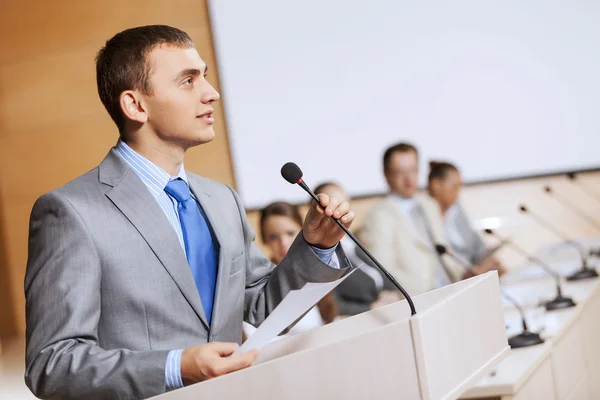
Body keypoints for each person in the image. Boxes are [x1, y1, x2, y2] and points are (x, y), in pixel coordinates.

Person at [24, 25, 355, 399]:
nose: (211, 94)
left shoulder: (223, 199)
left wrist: (315, 245)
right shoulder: (71, 211)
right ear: (135, 105)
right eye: (187, 81)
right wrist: (177, 367)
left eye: (206, 78)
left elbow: (262, 308)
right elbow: (52, 364)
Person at [360, 143, 463, 296]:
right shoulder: (379, 215)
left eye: (413, 170)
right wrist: (426, 294)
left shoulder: (429, 204)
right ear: (387, 175)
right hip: (419, 298)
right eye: (400, 172)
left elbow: (444, 251)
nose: (408, 178)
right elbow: (384, 270)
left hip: (451, 289)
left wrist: (467, 274)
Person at [314, 182, 401, 315]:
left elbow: (381, 273)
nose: (341, 211)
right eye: (334, 206)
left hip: (389, 308)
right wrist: (371, 309)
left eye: (344, 204)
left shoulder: (353, 240)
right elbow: (331, 306)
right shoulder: (321, 254)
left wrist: (392, 292)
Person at [427, 161, 503, 276]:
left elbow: (476, 243)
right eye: (454, 187)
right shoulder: (424, 215)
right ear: (436, 185)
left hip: (473, 273)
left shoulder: (456, 210)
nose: (458, 193)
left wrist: (488, 261)